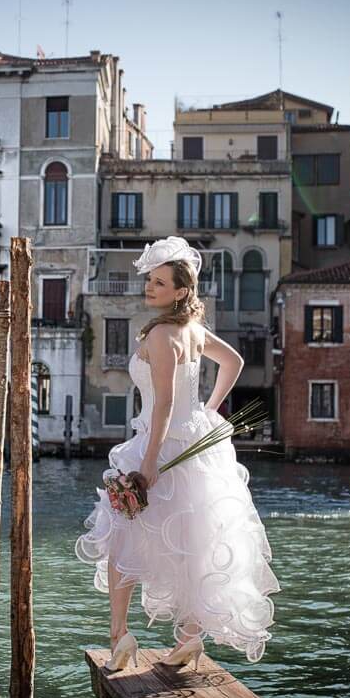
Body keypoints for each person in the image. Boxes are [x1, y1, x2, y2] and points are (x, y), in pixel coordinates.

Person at [74, 236, 280, 671]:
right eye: (149, 280)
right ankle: (189, 639)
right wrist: (209, 409)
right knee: (192, 543)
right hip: (195, 447)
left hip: (161, 446)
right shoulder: (193, 331)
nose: (149, 287)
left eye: (160, 283)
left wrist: (148, 464)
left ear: (181, 292)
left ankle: (120, 636)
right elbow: (235, 364)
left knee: (122, 537)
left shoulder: (164, 335)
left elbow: (164, 403)